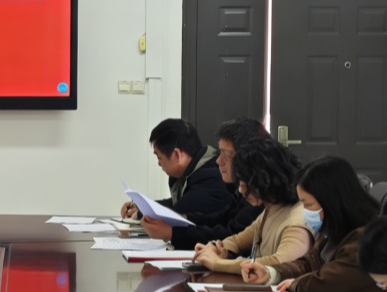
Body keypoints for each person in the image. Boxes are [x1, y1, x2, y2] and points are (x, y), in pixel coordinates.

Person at [240, 156, 387, 292]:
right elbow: (308, 263)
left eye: (308, 204)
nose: (305, 212)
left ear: (331, 202)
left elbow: (328, 286)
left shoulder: (368, 240)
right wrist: (271, 273)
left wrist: (296, 284)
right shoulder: (336, 229)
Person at [191, 137, 312, 275]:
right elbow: (238, 240)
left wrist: (217, 263)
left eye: (245, 181)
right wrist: (218, 248)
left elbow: (281, 264)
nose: (241, 189)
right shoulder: (272, 208)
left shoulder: (296, 221)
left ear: (267, 178)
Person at [151, 117, 267, 247]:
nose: (218, 161)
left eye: (227, 155)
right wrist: (180, 222)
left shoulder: (260, 196)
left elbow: (232, 236)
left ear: (248, 157)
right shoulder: (244, 189)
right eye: (220, 152)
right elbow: (220, 219)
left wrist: (173, 233)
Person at [119, 118, 235, 229]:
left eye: (159, 157)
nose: (159, 164)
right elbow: (177, 203)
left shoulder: (210, 178)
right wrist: (141, 206)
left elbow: (178, 213)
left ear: (177, 155)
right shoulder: (195, 171)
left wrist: (141, 213)